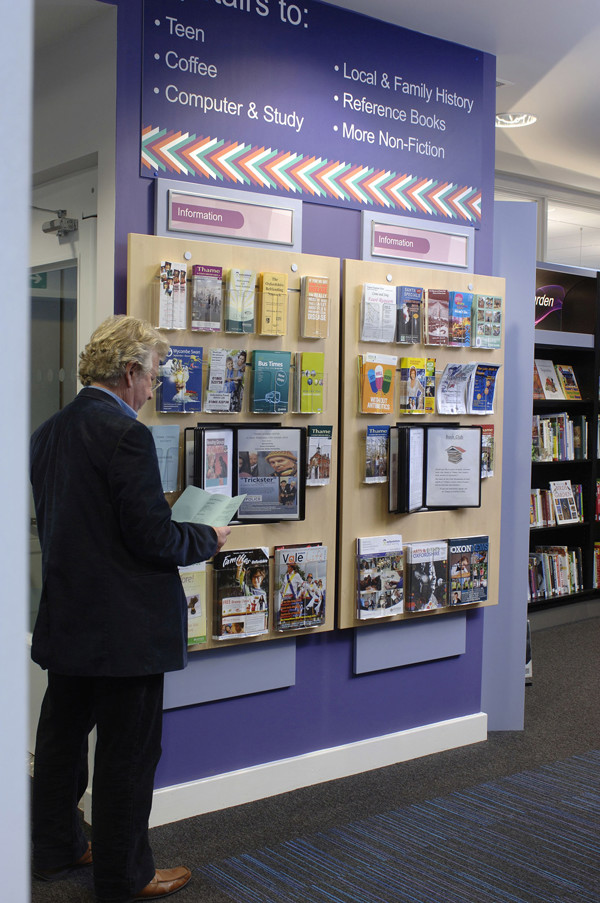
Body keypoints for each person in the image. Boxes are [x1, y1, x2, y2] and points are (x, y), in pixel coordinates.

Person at [30, 315, 231, 903]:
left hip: (68, 618)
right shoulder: (125, 435)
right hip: (126, 631)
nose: (155, 388)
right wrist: (205, 537)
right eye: (153, 376)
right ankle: (124, 876)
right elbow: (153, 540)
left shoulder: (49, 431)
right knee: (127, 756)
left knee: (62, 744)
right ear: (128, 371)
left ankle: (54, 848)